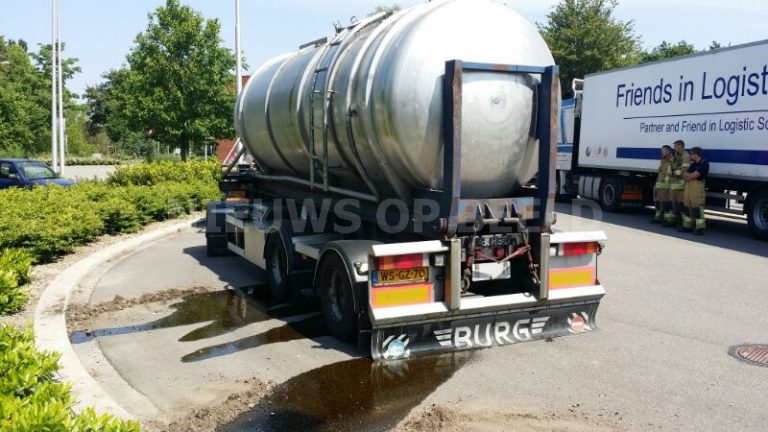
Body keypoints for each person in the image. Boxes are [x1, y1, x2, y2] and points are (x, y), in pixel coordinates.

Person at [683, 147, 709, 235]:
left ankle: (699, 228)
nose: (690, 155)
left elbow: (696, 175)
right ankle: (688, 226)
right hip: (689, 187)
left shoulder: (704, 163)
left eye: (691, 153)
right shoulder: (693, 164)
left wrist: (689, 175)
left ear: (696, 154)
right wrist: (690, 175)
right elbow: (685, 176)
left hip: (697, 188)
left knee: (697, 208)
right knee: (687, 207)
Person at [666, 140, 690, 229]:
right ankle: (672, 222)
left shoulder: (686, 156)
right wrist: (670, 171)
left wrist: (674, 173)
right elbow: (670, 166)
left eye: (676, 146)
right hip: (673, 185)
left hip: (681, 186)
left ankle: (681, 223)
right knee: (672, 204)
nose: (674, 148)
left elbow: (684, 170)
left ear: (681, 146)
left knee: (681, 205)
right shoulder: (675, 155)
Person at [652, 145, 673, 224]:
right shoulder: (663, 160)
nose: (662, 152)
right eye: (662, 150)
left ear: (668, 151)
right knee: (658, 203)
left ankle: (667, 219)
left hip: (666, 186)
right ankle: (657, 217)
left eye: (663, 150)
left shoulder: (671, 161)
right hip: (660, 185)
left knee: (665, 203)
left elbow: (670, 173)